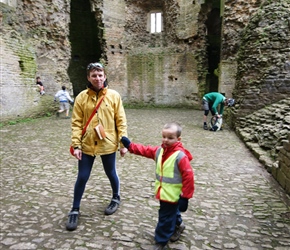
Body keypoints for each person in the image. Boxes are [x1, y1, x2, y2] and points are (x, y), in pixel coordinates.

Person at [66, 62, 128, 231]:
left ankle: (116, 197)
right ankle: (75, 209)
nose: (97, 78)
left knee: (111, 172)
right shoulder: (81, 97)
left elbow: (120, 121)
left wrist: (123, 143)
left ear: (105, 76)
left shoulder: (114, 96)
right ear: (88, 77)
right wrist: (76, 145)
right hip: (87, 144)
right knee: (82, 176)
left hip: (108, 143)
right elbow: (76, 123)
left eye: (100, 75)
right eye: (94, 75)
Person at [121, 122, 194, 250]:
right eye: (164, 136)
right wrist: (130, 146)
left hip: (172, 195)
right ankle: (179, 224)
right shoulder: (160, 151)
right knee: (171, 213)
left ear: (178, 139)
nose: (166, 140)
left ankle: (161, 241)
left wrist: (185, 197)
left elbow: (189, 176)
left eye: (170, 138)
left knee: (165, 218)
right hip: (164, 192)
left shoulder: (180, 156)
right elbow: (145, 150)